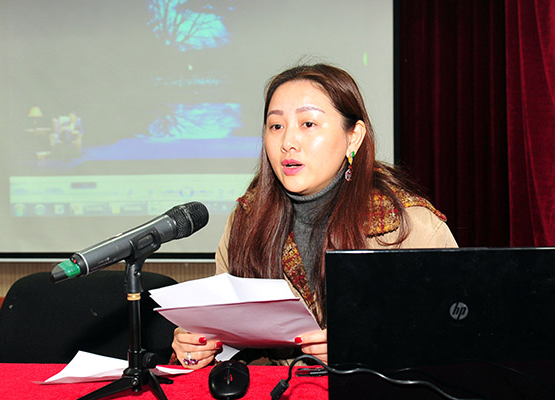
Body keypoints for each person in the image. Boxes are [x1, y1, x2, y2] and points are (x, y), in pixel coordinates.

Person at [172, 63, 458, 369]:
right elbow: (224, 330)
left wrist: (367, 347)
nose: (288, 143)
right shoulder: (247, 219)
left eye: (308, 124)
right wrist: (199, 346)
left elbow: (457, 339)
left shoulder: (407, 225)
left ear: (353, 137)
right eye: (276, 126)